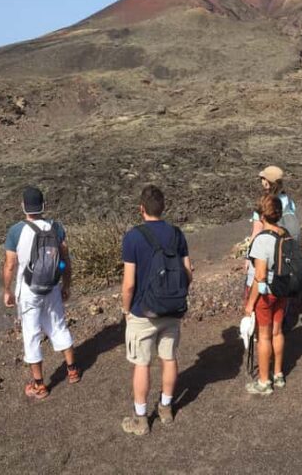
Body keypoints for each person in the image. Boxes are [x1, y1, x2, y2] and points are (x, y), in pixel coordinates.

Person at [121, 185, 193, 436]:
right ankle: (165, 408)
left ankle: (141, 419)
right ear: (163, 208)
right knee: (168, 358)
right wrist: (177, 294)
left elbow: (129, 283)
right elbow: (188, 271)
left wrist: (126, 309)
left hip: (143, 310)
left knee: (142, 363)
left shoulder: (133, 237)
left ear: (141, 209)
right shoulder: (176, 234)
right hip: (172, 308)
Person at [2, 186, 79, 400]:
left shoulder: (15, 231)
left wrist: (7, 290)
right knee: (58, 325)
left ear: (23, 206)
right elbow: (64, 260)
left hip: (28, 290)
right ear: (44, 205)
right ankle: (72, 370)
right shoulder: (56, 227)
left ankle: (39, 385)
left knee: (31, 334)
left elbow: (10, 264)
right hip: (52, 286)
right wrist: (65, 283)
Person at [244, 194, 287, 394]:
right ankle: (278, 374)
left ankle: (263, 382)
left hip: (267, 293)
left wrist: (250, 304)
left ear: (262, 216)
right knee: (277, 332)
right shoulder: (285, 234)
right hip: (283, 289)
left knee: (264, 337)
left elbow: (259, 276)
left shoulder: (262, 240)